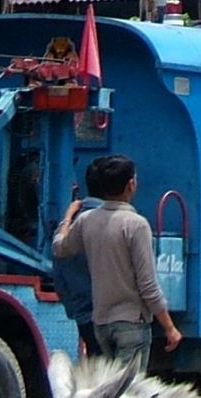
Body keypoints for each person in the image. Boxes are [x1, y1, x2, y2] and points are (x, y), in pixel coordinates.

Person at [66, 154, 180, 372]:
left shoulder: (86, 220)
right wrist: (169, 327)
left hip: (101, 324)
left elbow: (60, 248)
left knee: (110, 391)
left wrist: (67, 217)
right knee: (128, 395)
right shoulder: (136, 225)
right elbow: (148, 286)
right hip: (131, 324)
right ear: (131, 185)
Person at [48, 179, 99, 349]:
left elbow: (59, 279)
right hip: (120, 319)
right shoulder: (124, 223)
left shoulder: (65, 231)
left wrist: (75, 311)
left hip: (85, 318)